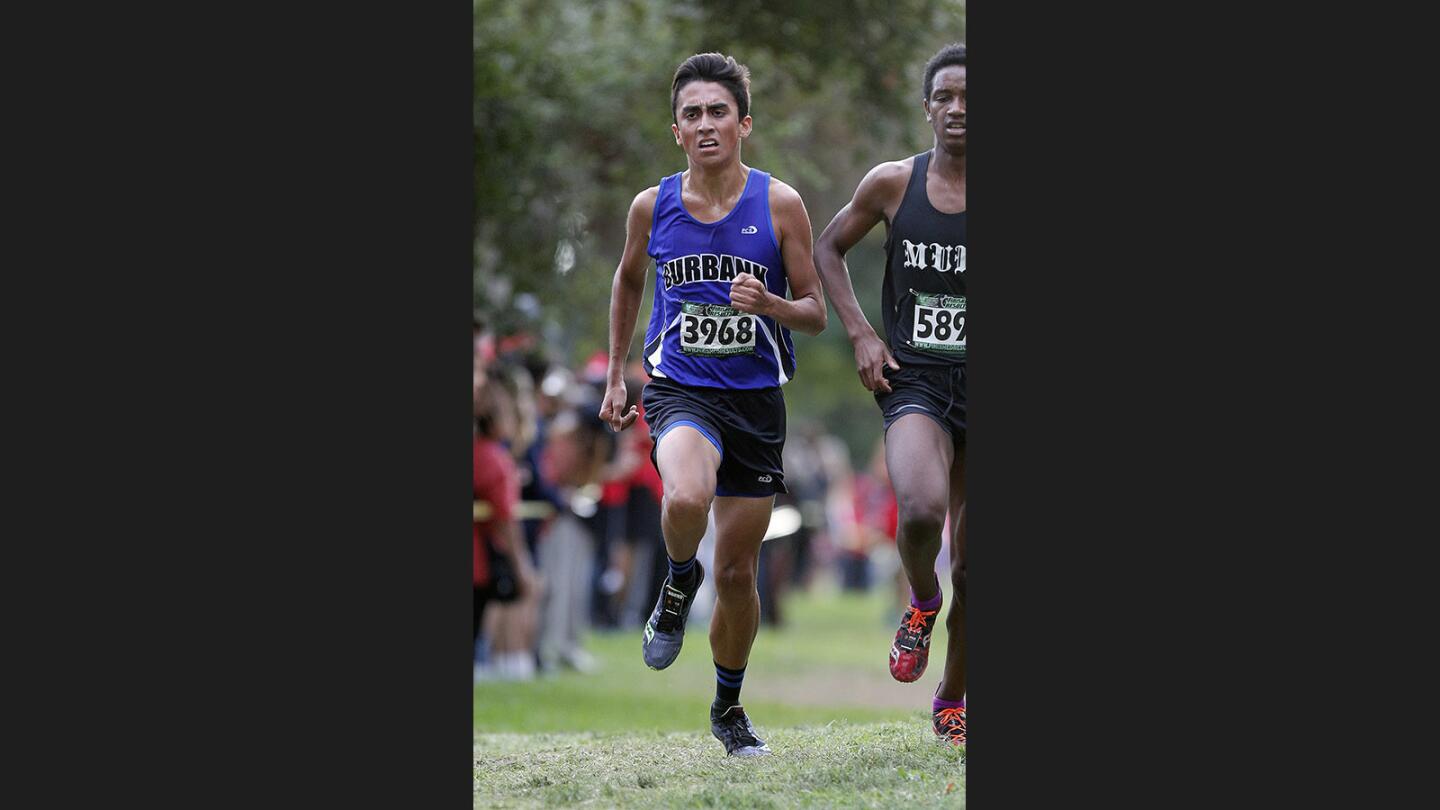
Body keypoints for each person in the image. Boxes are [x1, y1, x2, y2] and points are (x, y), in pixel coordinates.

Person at [598, 52, 827, 757]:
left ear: (743, 124)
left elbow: (816, 313)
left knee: (736, 575)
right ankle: (675, 583)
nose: (705, 124)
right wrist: (615, 373)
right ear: (676, 129)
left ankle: (728, 709)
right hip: (680, 389)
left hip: (756, 402)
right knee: (685, 499)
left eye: (717, 112)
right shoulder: (653, 205)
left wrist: (773, 303)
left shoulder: (780, 204)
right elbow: (628, 281)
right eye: (691, 114)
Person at [813, 42, 967, 746]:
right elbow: (826, 249)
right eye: (946, 98)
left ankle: (954, 699)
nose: (959, 110)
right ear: (928, 107)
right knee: (919, 511)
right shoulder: (892, 185)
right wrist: (861, 334)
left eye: (970, 98)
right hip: (918, 382)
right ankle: (922, 604)